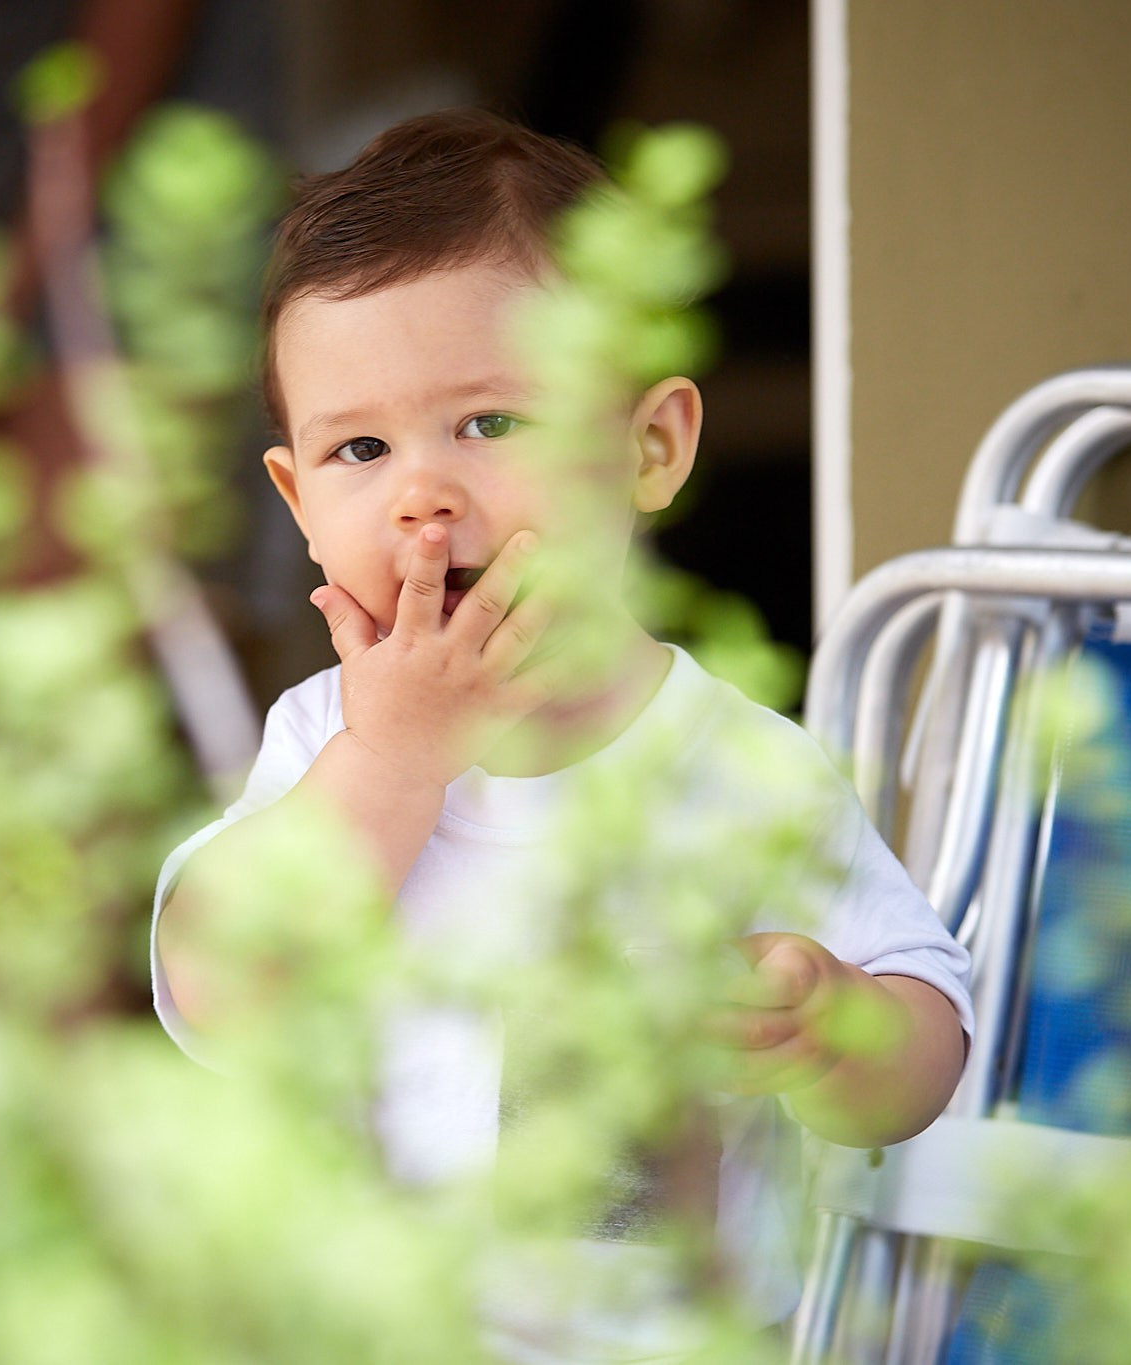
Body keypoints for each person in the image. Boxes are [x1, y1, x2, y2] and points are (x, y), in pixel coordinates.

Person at [151, 108, 971, 1351]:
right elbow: (216, 987)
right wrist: (393, 759)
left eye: (488, 423)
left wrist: (829, 1020)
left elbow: (926, 1058)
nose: (423, 491)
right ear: (297, 504)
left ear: (650, 447)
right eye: (359, 448)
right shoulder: (320, 742)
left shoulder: (736, 765)